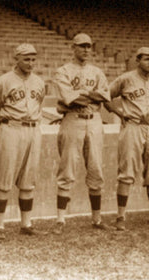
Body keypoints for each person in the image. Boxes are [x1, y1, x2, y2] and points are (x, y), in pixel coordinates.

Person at [105, 47, 149, 231]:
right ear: (138, 60)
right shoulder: (126, 78)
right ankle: (120, 217)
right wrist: (118, 112)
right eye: (147, 59)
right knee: (126, 171)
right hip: (133, 125)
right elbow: (105, 96)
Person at [52, 33, 111, 234]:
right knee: (67, 169)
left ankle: (96, 218)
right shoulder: (63, 71)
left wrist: (83, 96)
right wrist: (89, 97)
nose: (86, 49)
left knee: (96, 170)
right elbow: (69, 98)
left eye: (89, 46)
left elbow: (104, 96)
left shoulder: (97, 72)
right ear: (73, 47)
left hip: (93, 121)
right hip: (72, 120)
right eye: (82, 46)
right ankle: (60, 219)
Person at [0, 43, 46, 240]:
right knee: (4, 180)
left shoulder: (39, 82)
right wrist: (3, 130)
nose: (30, 63)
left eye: (33, 59)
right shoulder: (3, 81)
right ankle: (0, 227)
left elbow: (39, 105)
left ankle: (26, 224)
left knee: (28, 181)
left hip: (33, 130)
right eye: (26, 59)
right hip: (10, 128)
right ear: (17, 59)